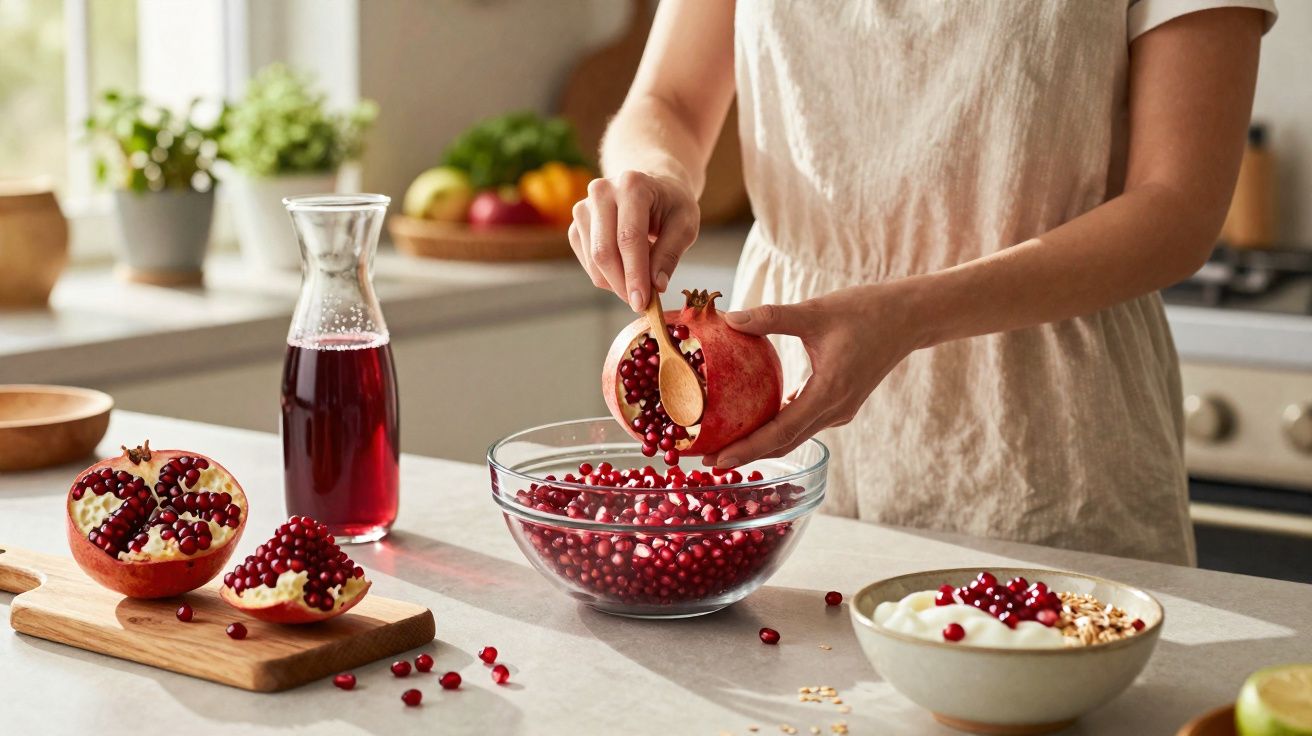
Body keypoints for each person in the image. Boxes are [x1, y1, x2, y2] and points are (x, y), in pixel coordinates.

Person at [567, 0, 1277, 564]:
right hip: (782, 425)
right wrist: (653, 173)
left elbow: (1179, 209)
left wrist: (910, 313)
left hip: (1044, 429)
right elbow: (668, 102)